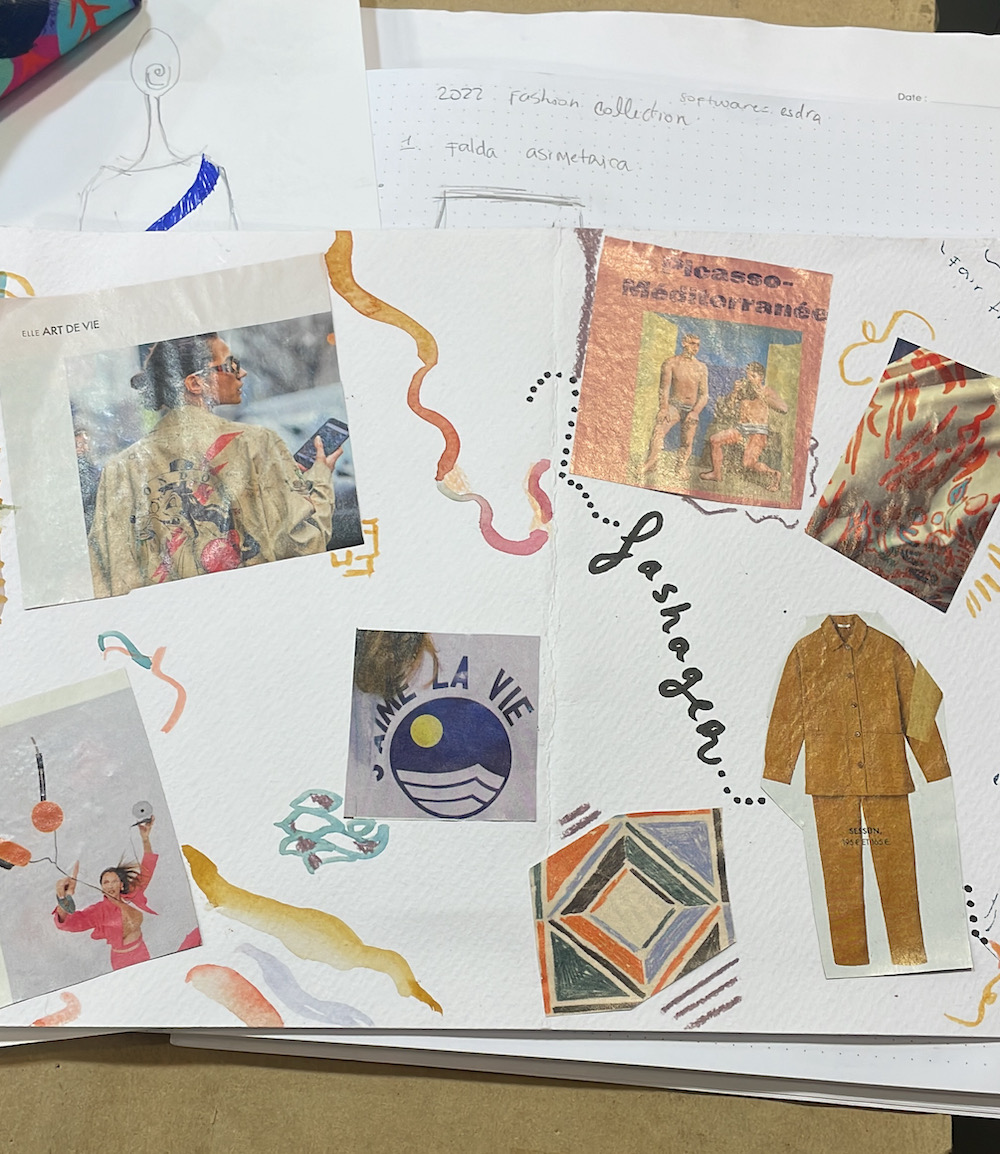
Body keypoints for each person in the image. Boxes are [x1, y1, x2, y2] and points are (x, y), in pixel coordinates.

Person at [87, 332, 342, 597]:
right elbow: (302, 545)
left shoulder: (119, 469)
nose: (242, 373)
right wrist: (321, 478)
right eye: (231, 365)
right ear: (195, 383)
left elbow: (109, 574)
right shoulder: (256, 444)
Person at [53, 817, 159, 971]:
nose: (110, 885)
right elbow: (69, 923)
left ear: (121, 884)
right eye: (106, 882)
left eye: (114, 881)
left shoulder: (133, 896)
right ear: (101, 887)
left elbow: (147, 868)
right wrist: (64, 897)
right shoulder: (98, 911)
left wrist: (145, 839)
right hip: (121, 960)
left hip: (142, 952)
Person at [700, 361, 788, 491]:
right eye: (748, 376)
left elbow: (784, 408)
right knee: (715, 440)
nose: (749, 379)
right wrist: (734, 392)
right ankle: (716, 473)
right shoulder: (743, 391)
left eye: (753, 376)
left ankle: (774, 474)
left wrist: (762, 396)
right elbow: (728, 407)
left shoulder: (767, 391)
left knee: (748, 463)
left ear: (761, 377)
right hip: (741, 429)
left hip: (758, 431)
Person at [642, 333, 709, 477]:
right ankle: (651, 462)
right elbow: (664, 388)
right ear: (684, 343)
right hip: (675, 405)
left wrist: (695, 412)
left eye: (698, 345)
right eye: (692, 344)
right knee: (659, 430)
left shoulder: (701, 367)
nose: (695, 348)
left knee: (687, 441)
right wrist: (663, 408)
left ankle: (680, 467)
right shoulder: (671, 363)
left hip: (691, 408)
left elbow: (704, 395)